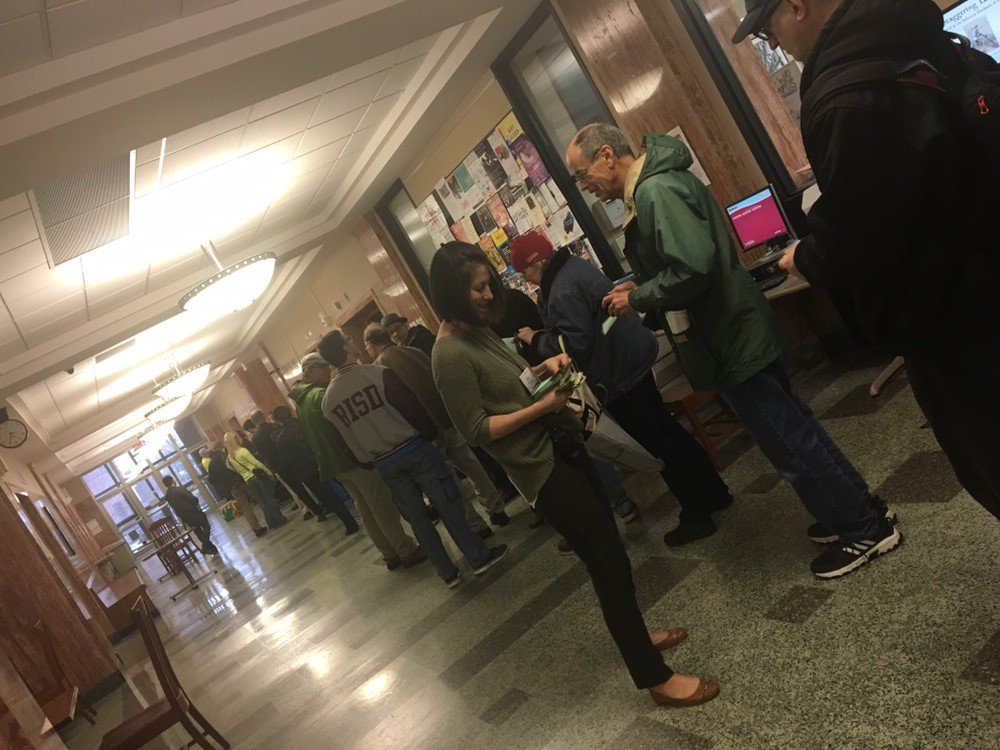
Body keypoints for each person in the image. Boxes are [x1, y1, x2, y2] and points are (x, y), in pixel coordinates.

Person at [568, 122, 899, 579]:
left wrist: (638, 298)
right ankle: (860, 507)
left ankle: (861, 529)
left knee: (789, 443)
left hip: (728, 339)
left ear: (607, 155)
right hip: (734, 332)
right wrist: (641, 284)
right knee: (798, 427)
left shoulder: (653, 192)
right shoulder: (660, 182)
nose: (585, 187)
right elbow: (687, 259)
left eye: (582, 175)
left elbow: (695, 265)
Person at [732, 0, 1000, 523]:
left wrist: (805, 258)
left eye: (768, 30)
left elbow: (860, 234)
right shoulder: (911, 35)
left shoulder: (844, 95)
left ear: (796, 6)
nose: (776, 44)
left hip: (950, 323)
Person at [428, 241, 718, 706]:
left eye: (488, 284)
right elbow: (478, 430)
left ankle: (640, 637)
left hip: (563, 447)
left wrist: (545, 365)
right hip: (541, 472)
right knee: (607, 562)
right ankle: (653, 678)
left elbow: (510, 386)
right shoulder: (447, 355)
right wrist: (541, 407)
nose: (487, 295)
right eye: (477, 289)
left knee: (613, 556)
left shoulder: (476, 333)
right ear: (450, 293)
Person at [510, 230, 733, 545]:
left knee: (657, 444)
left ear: (539, 262)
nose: (528, 280)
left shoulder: (560, 289)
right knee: (668, 430)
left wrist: (536, 339)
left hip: (617, 375)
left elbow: (574, 343)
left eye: (526, 271)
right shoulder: (575, 266)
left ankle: (696, 512)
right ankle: (714, 492)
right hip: (633, 359)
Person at [317, 330, 508, 588]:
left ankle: (447, 572)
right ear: (346, 348)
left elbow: (341, 443)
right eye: (349, 341)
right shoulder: (377, 373)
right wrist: (430, 434)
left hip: (383, 462)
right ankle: (477, 556)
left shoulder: (329, 401)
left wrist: (368, 461)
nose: (354, 344)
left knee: (417, 518)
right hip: (414, 448)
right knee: (447, 503)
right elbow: (410, 406)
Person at [363, 323, 511, 528]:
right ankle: (496, 509)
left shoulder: (380, 369)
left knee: (449, 478)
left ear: (371, 344)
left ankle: (476, 525)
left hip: (424, 430)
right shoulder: (413, 351)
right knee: (472, 466)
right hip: (446, 417)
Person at [289, 353, 426, 570]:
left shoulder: (301, 402)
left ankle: (389, 553)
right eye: (323, 368)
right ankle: (405, 549)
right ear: (311, 371)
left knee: (365, 508)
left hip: (335, 465)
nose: (328, 371)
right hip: (351, 460)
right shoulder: (319, 396)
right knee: (381, 506)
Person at [271, 405, 360, 535]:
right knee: (346, 484)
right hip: (322, 460)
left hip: (306, 472)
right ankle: (362, 510)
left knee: (330, 497)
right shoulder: (304, 424)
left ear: (277, 421)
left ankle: (350, 524)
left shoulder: (281, 439)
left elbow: (287, 461)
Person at [250, 410, 318, 521]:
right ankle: (318, 502)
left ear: (253, 421)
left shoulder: (255, 438)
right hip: (290, 459)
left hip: (278, 466)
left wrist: (271, 468)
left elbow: (264, 455)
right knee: (306, 482)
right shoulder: (274, 426)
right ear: (263, 416)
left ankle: (310, 510)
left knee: (295, 489)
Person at [223, 431, 287, 530]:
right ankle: (280, 519)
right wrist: (268, 471)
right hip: (257, 477)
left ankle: (271, 523)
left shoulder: (230, 458)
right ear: (235, 439)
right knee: (269, 498)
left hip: (248, 481)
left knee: (262, 502)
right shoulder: (242, 451)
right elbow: (256, 463)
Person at [203, 444, 266, 538]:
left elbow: (212, 480)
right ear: (219, 448)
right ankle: (271, 518)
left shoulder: (212, 464)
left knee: (245, 507)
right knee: (259, 498)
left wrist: (223, 484)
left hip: (232, 487)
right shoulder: (226, 455)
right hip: (242, 480)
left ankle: (256, 528)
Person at [162, 475, 219, 555]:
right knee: (206, 526)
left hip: (184, 517)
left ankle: (211, 548)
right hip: (193, 512)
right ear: (172, 480)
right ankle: (205, 546)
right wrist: (195, 502)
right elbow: (193, 499)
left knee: (198, 531)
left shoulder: (167, 496)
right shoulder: (180, 489)